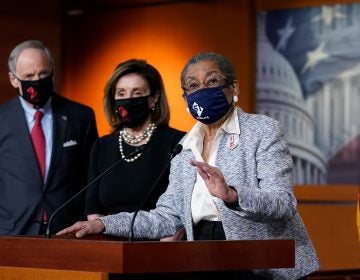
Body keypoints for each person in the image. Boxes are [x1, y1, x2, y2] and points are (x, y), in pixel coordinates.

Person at [57, 52, 320, 279]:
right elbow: (166, 217)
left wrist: (233, 195)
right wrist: (105, 225)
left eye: (213, 81)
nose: (202, 91)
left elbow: (283, 204)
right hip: (204, 260)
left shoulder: (263, 130)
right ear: (185, 97)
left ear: (234, 87)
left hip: (264, 266)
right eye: (193, 85)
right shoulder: (184, 147)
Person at [0, 39, 98, 235]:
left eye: (43, 73)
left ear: (53, 70)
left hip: (67, 229)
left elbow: (92, 175)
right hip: (13, 232)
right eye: (29, 75)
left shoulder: (80, 116)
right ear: (13, 79)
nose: (37, 80)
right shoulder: (2, 119)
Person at [85, 59, 185, 223]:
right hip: (109, 242)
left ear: (153, 99)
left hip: (157, 240)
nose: (128, 100)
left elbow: (181, 209)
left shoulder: (177, 143)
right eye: (121, 93)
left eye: (137, 93)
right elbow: (93, 211)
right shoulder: (102, 146)